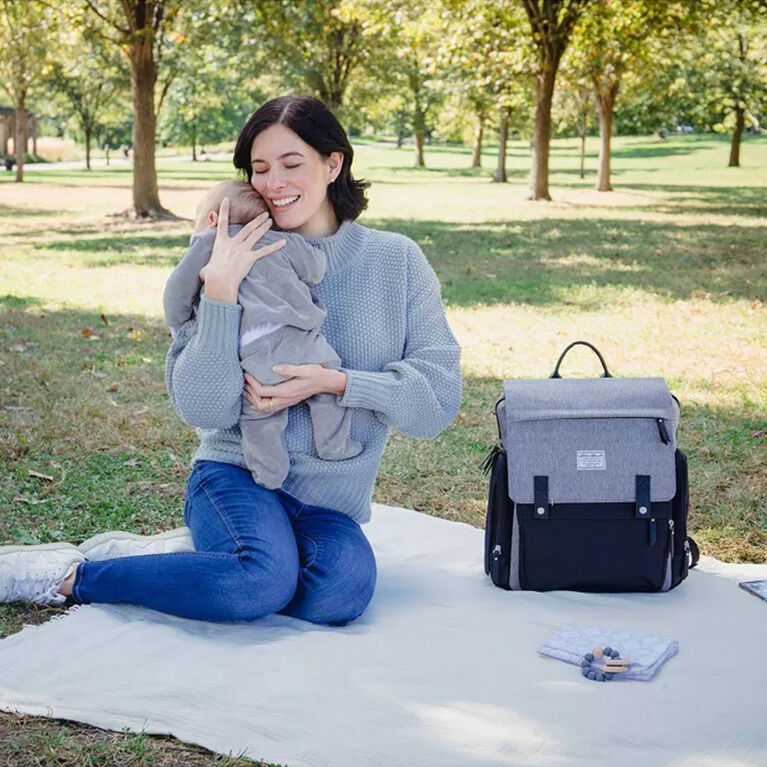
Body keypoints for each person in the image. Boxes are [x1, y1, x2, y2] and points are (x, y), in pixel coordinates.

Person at [0, 94, 463, 627]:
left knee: (338, 596)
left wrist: (337, 383)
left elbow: (438, 403)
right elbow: (205, 410)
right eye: (260, 168)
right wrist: (220, 295)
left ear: (333, 164)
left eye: (293, 164)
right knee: (260, 581)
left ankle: (203, 561)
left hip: (327, 503)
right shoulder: (228, 249)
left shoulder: (397, 260)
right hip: (234, 476)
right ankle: (73, 576)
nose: (274, 183)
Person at [164, 178, 362, 490]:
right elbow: (315, 268)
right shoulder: (283, 241)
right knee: (327, 387)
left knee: (258, 413)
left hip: (252, 349)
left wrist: (178, 322)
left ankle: (269, 473)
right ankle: (335, 446)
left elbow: (177, 291)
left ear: (212, 219)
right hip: (300, 340)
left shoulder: (209, 242)